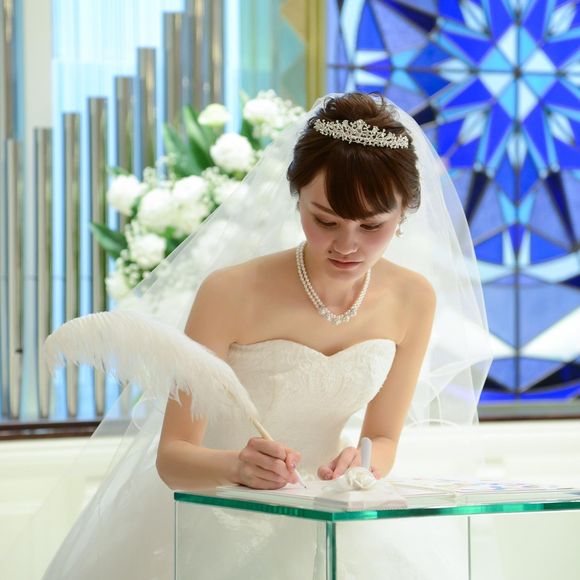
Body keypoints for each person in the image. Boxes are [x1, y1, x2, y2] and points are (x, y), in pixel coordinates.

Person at [4, 93, 492, 579]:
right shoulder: (231, 292)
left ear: (403, 213)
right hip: (217, 515)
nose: (347, 244)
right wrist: (238, 466)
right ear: (296, 197)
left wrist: (363, 463)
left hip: (331, 516)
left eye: (372, 226)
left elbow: (382, 437)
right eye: (325, 220)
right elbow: (173, 457)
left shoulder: (413, 298)